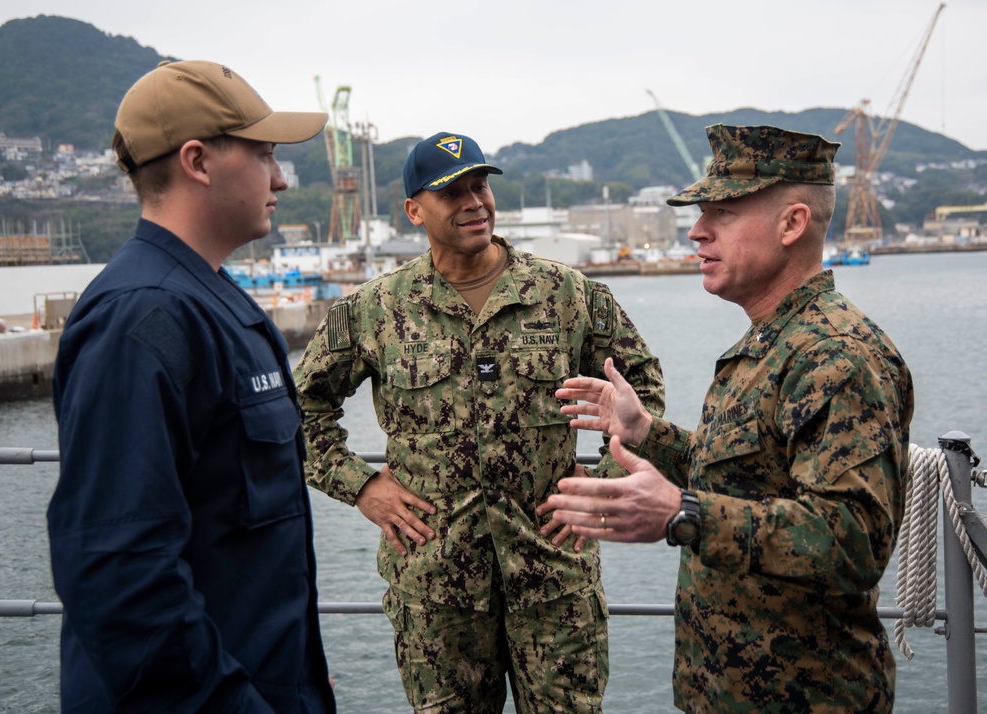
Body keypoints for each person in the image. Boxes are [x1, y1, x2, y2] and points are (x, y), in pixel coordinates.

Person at [541, 125, 914, 713]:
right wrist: (646, 434)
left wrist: (682, 514)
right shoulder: (772, 341)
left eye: (722, 212)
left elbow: (854, 540)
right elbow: (744, 480)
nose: (697, 231)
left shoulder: (837, 356)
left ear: (791, 225)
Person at [295, 132, 665, 713]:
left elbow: (643, 396)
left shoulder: (566, 295)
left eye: (481, 185)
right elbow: (297, 410)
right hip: (437, 588)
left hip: (554, 579)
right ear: (415, 210)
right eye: (452, 192)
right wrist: (361, 485)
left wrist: (604, 488)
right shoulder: (375, 309)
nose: (474, 202)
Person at [47, 60, 337, 713]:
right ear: (198, 161)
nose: (282, 178)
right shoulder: (144, 318)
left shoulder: (204, 303)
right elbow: (121, 575)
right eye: (265, 154)